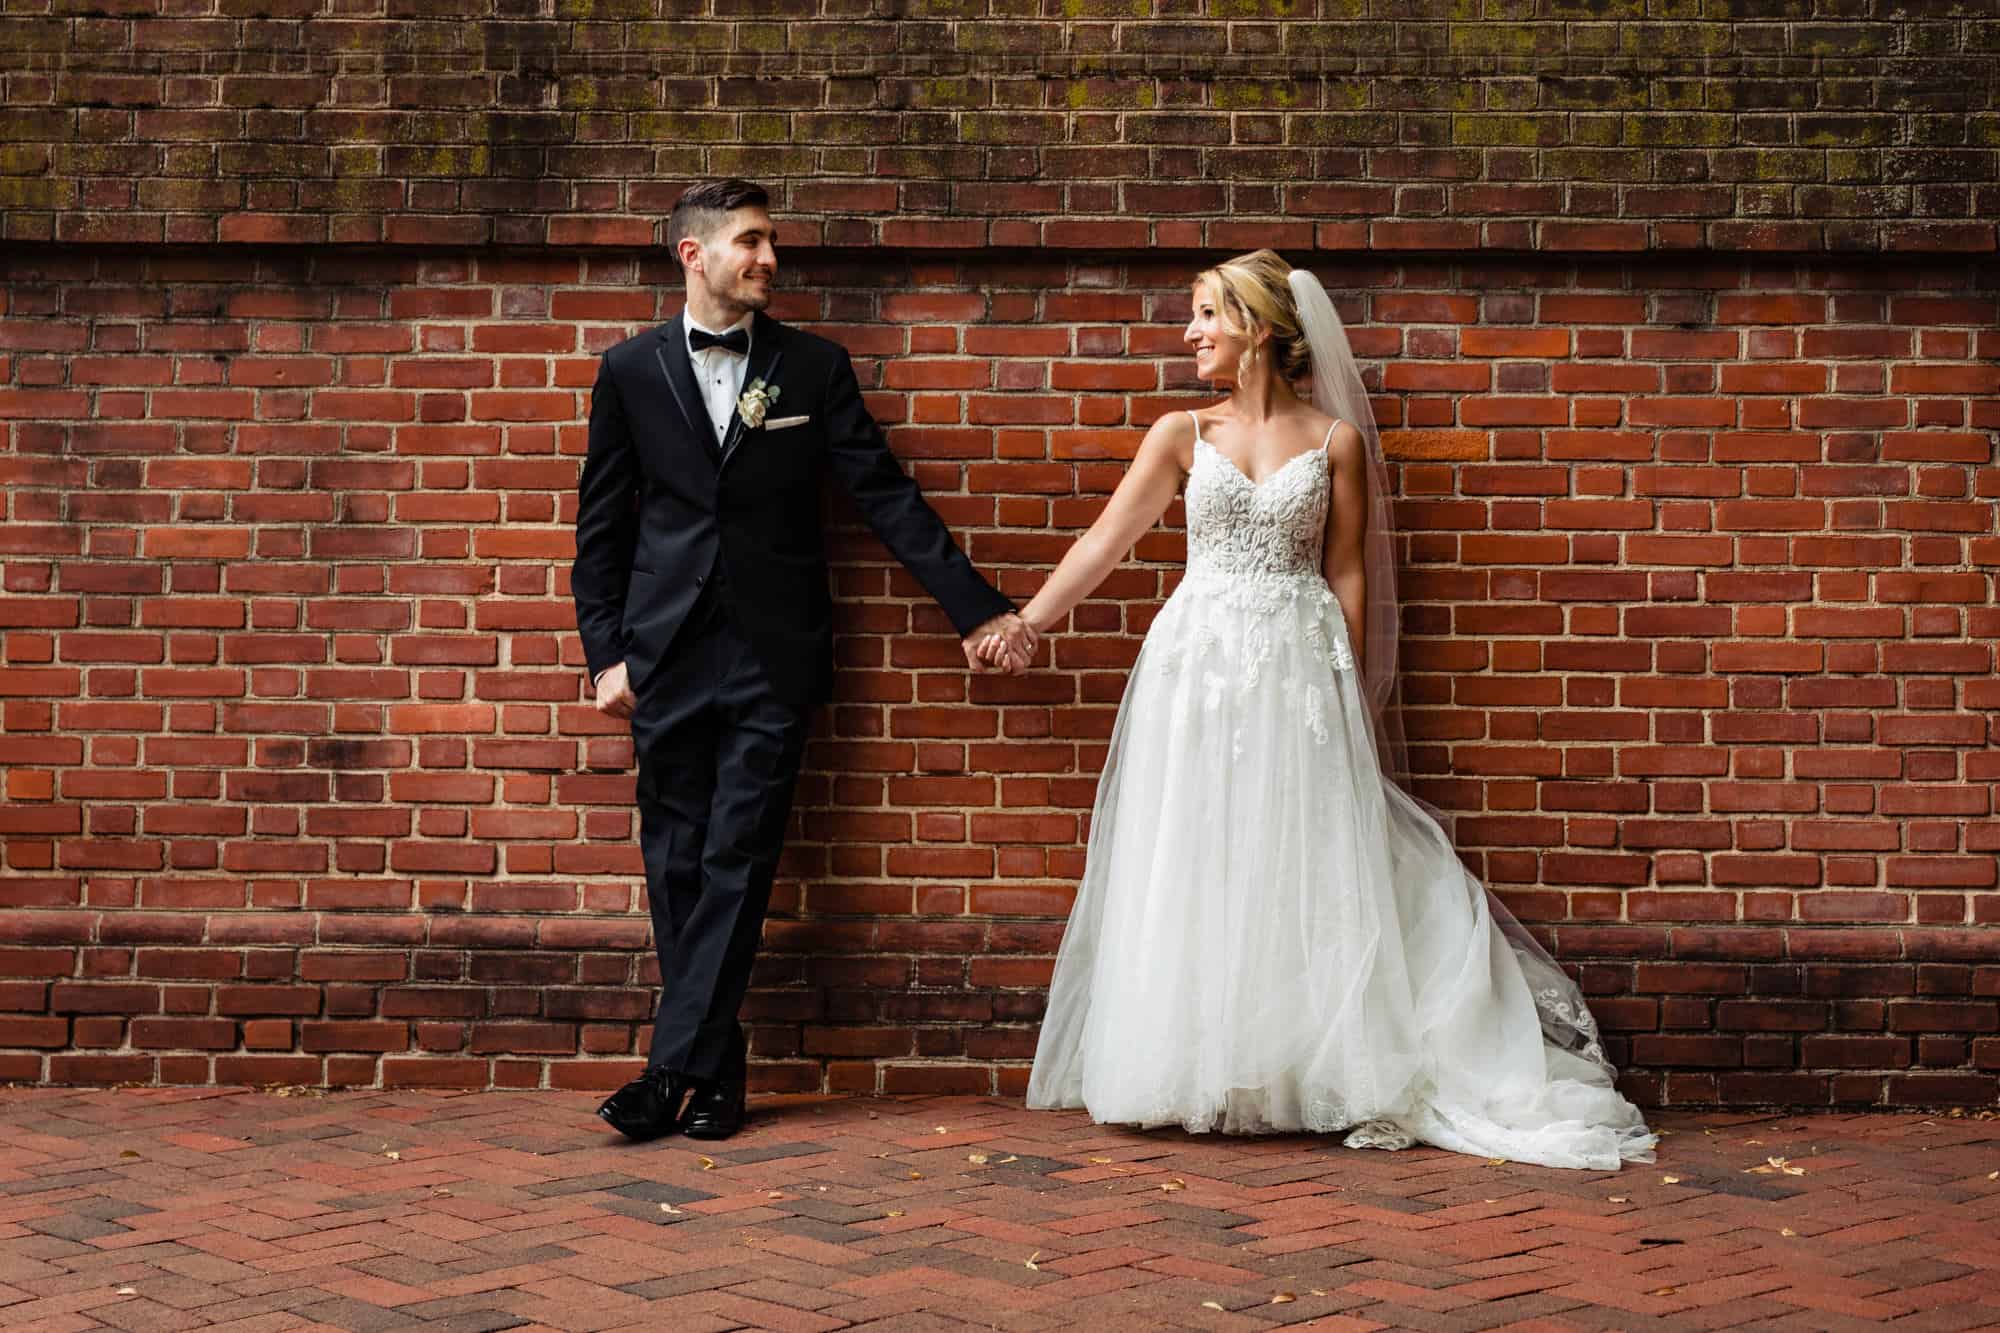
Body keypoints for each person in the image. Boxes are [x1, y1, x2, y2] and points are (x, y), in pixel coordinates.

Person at [983, 251, 1655, 1170]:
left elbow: (1346, 573)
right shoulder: (1183, 433)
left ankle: (1309, 1061)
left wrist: (1348, 693)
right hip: (1200, 665)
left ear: (1259, 327)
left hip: (1298, 670)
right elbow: (1108, 537)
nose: (1191, 332)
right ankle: (1204, 1064)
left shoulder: (1334, 442)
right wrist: (1030, 619)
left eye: (1207, 313)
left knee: (1296, 853)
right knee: (1201, 849)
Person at [574, 179, 1036, 1142]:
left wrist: (977, 607)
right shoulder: (627, 372)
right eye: (751, 242)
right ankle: (720, 1070)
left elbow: (885, 495)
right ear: (692, 254)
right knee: (676, 865)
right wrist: (606, 654)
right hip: (663, 654)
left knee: (737, 853)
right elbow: (602, 530)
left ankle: (666, 1076)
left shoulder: (813, 369)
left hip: (771, 656)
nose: (771, 259)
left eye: (773, 242)